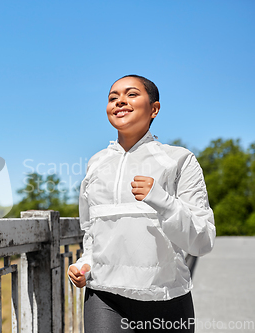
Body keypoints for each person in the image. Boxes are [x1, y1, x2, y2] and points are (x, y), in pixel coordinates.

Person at [67, 75, 216, 332]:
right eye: (113, 97)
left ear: (154, 109)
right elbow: (92, 230)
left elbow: (202, 241)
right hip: (104, 296)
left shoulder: (179, 160)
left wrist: (163, 201)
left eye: (131, 94)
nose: (120, 101)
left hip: (166, 298)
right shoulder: (96, 164)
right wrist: (85, 264)